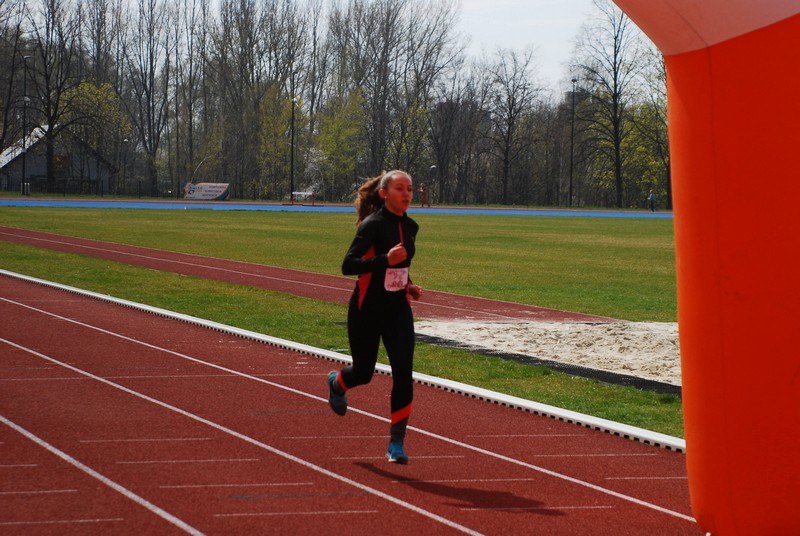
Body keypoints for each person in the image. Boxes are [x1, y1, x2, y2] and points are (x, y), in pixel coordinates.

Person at [327, 170, 423, 464]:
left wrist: (408, 284)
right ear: (384, 193)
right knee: (364, 373)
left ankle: (396, 443)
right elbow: (348, 265)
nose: (406, 194)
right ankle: (338, 382)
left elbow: (399, 267)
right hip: (366, 309)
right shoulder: (372, 224)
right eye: (399, 188)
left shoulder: (411, 227)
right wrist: (384, 260)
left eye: (409, 189)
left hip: (398, 309)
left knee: (403, 374)